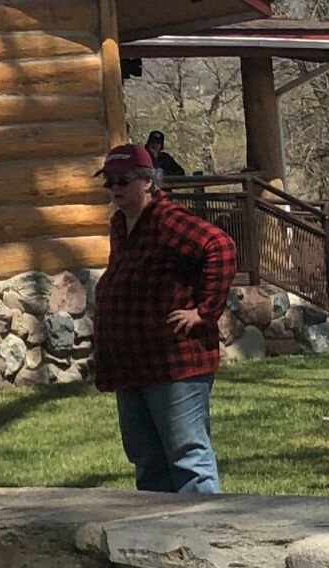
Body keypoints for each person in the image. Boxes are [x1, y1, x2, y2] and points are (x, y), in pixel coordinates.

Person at [92, 144, 236, 493]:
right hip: (133, 364)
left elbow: (220, 247)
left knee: (189, 457)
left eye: (123, 181)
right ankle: (158, 527)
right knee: (147, 460)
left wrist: (204, 312)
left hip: (175, 363)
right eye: (109, 182)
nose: (114, 189)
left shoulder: (168, 219)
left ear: (147, 182)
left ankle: (205, 525)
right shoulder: (121, 224)